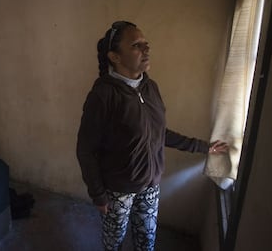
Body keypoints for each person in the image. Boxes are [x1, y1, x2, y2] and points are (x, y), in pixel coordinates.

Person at [76, 21, 228, 251]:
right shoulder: (103, 95)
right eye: (137, 45)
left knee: (146, 241)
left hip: (150, 185)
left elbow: (158, 133)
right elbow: (86, 149)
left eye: (146, 44)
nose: (146, 49)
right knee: (113, 242)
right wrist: (98, 194)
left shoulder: (150, 88)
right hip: (118, 190)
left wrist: (203, 147)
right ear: (115, 57)